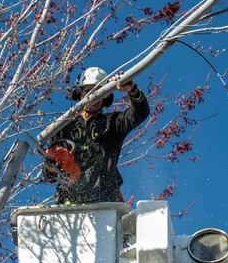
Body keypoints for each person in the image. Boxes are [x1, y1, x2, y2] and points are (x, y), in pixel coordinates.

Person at [43, 67, 150, 204]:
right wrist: (49, 166)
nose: (95, 97)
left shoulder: (113, 123)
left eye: (100, 92)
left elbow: (140, 113)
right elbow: (49, 175)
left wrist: (133, 91)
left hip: (104, 201)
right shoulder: (62, 127)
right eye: (89, 91)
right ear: (79, 93)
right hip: (68, 203)